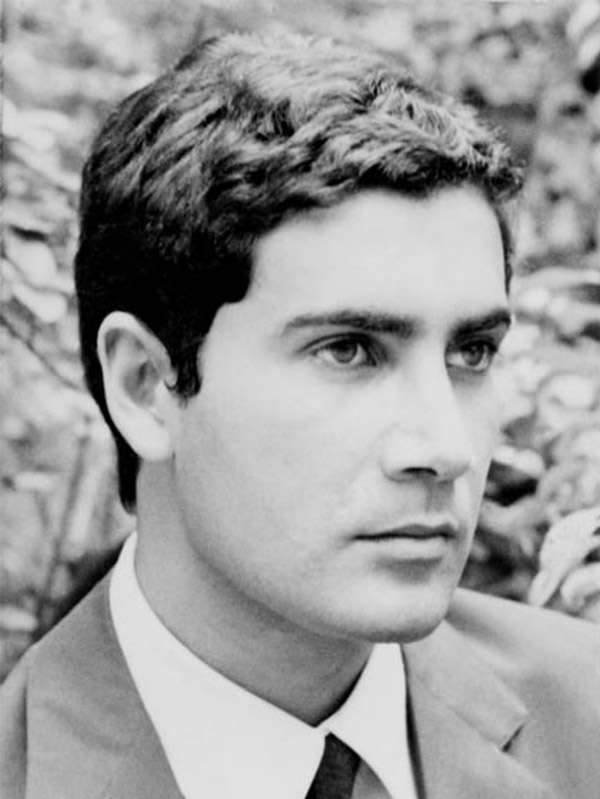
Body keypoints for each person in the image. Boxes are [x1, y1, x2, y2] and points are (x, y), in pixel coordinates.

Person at [1, 31, 599, 799]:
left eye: (472, 352)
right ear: (146, 385)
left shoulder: (584, 714)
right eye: (348, 350)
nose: (445, 445)